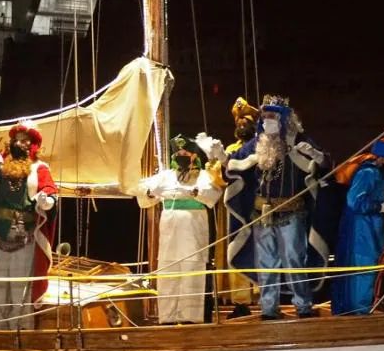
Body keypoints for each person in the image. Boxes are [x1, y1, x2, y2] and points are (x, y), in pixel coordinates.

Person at [224, 94, 327, 320]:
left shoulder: (298, 139)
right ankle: (269, 309)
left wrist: (315, 156)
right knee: (266, 263)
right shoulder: (257, 143)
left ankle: (303, 306)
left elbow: (325, 164)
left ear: (283, 119)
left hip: (291, 212)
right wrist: (219, 157)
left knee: (294, 260)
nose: (267, 119)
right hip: (261, 213)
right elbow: (233, 163)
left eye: (272, 115)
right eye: (264, 115)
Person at [0, 120, 58, 330]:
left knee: (21, 286)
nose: (20, 144)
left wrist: (48, 202)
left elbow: (50, 191)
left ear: (33, 145)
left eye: (25, 141)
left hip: (25, 236)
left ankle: (20, 329)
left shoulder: (40, 168)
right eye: (16, 140)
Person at [138, 135, 223, 323]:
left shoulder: (202, 175)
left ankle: (190, 317)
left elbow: (213, 194)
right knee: (168, 272)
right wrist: (151, 193)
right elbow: (143, 193)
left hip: (193, 230)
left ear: (193, 155)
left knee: (191, 272)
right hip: (169, 232)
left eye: (185, 152)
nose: (180, 154)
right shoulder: (166, 176)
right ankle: (167, 317)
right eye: (178, 151)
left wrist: (195, 192)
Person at [331, 137, 384, 315]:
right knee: (364, 268)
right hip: (362, 230)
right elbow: (353, 201)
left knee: (366, 268)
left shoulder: (376, 173)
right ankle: (360, 311)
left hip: (369, 227)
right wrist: (380, 206)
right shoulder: (369, 173)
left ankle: (359, 308)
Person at [210, 97, 259, 316]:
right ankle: (240, 301)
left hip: (253, 204)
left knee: (257, 249)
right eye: (238, 124)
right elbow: (216, 177)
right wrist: (217, 162)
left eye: (245, 123)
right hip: (231, 207)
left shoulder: (260, 148)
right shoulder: (230, 149)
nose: (241, 127)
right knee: (234, 247)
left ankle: (263, 296)